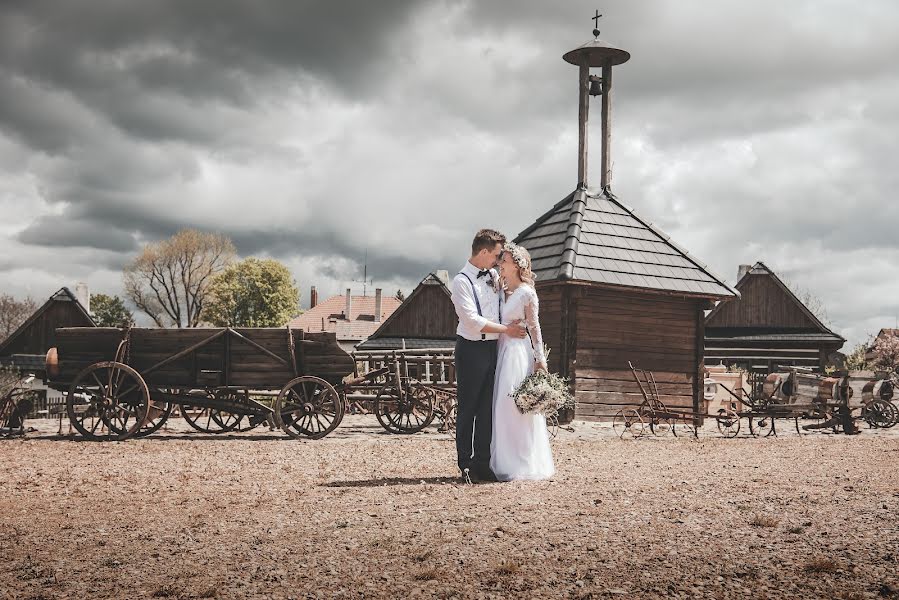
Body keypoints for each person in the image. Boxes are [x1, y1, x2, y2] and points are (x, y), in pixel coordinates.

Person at [450, 229, 528, 483]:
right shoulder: (461, 282)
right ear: (483, 252)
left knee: (487, 409)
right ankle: (465, 464)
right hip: (471, 349)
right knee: (468, 409)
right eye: (496, 255)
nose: (497, 260)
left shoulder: (494, 276)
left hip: (494, 349)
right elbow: (472, 322)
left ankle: (482, 463)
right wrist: (508, 330)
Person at [489, 242, 555, 481]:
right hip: (502, 349)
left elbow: (535, 327)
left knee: (515, 406)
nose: (500, 265)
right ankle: (504, 458)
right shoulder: (502, 290)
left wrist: (540, 359)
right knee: (501, 407)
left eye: (504, 261)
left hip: (517, 353)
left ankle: (522, 461)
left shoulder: (527, 293)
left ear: (518, 265)